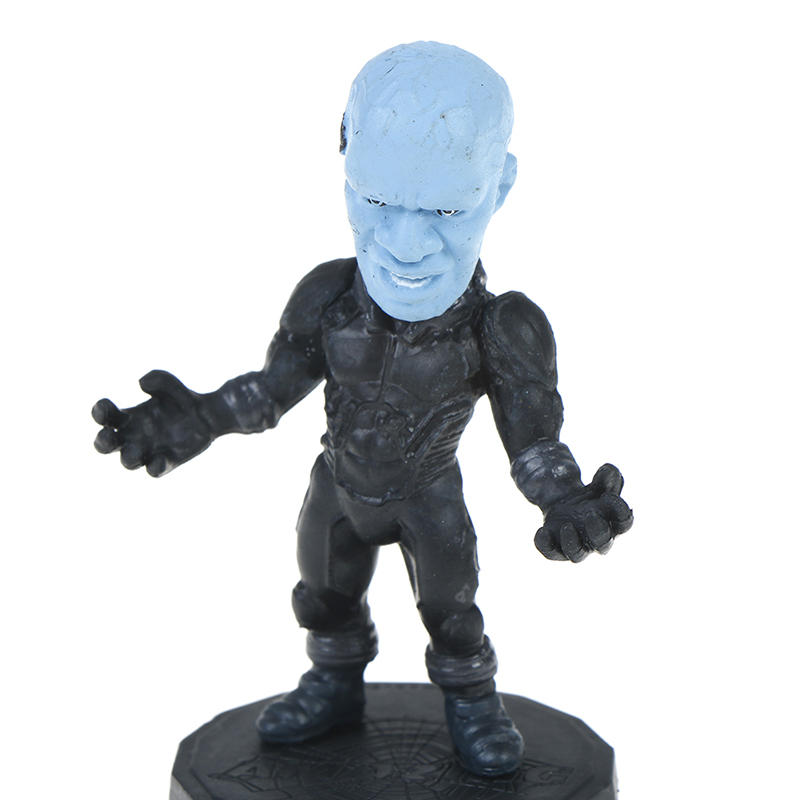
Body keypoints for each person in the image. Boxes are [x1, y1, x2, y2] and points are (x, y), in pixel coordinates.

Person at [93, 42, 633, 777]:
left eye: (446, 208)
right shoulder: (327, 296)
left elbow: (533, 443)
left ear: (500, 186)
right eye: (375, 200)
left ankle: (472, 701)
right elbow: (269, 392)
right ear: (344, 166)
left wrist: (564, 498)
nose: (406, 245)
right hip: (337, 487)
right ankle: (334, 683)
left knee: (452, 616)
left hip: (428, 497)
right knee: (323, 594)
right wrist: (198, 418)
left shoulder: (500, 328)